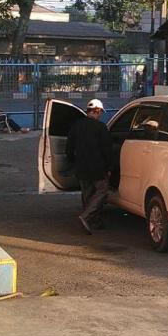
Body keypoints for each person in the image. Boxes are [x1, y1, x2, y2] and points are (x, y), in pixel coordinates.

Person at [66, 99, 114, 235]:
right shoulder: (101, 127)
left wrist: (71, 161)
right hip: (97, 167)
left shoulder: (76, 126)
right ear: (97, 111)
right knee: (102, 191)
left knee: (87, 194)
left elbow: (69, 146)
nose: (100, 115)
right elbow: (107, 149)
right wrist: (109, 167)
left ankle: (94, 221)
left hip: (81, 166)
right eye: (100, 112)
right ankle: (86, 216)